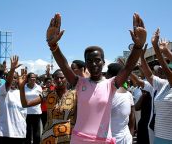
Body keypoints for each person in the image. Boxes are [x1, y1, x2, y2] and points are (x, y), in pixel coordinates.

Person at [45, 13, 146, 143]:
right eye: (90, 61)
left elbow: (127, 68)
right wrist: (53, 46)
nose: (94, 64)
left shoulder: (111, 84)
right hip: (79, 140)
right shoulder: (79, 83)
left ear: (104, 62)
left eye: (97, 60)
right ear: (86, 64)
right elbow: (64, 66)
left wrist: (138, 47)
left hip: (103, 140)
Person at [18, 69, 77, 144]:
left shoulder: (74, 95)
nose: (59, 80)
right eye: (56, 78)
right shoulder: (47, 94)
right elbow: (25, 104)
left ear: (66, 79)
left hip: (68, 137)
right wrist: (21, 88)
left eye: (62, 78)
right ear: (53, 80)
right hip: (49, 137)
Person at [0, 56, 26, 144]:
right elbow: (8, 83)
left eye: (15, 78)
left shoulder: (22, 93)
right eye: (11, 77)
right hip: (4, 133)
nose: (13, 80)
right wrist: (12, 69)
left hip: (19, 133)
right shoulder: (3, 91)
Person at [106, 63, 135, 144]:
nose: (105, 77)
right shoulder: (103, 94)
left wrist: (131, 136)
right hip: (107, 139)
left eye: (107, 74)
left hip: (126, 139)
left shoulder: (128, 95)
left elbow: (132, 118)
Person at [24, 72, 43, 144]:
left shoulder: (39, 87)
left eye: (34, 77)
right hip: (26, 113)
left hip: (36, 113)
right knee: (27, 132)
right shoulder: (24, 87)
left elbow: (41, 99)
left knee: (37, 133)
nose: (33, 79)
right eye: (31, 77)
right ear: (28, 79)